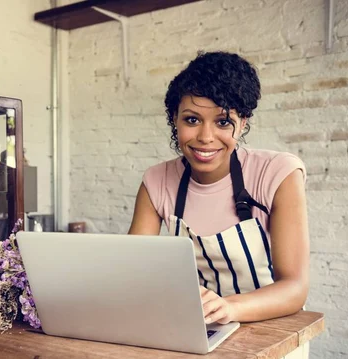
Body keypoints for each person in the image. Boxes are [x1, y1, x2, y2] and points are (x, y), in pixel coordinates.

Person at [128, 51, 309, 324]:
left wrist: (229, 308)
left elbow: (295, 288)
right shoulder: (156, 181)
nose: (205, 137)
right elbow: (132, 271)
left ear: (242, 123)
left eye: (223, 122)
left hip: (273, 332)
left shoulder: (277, 173)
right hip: (202, 328)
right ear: (174, 119)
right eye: (192, 120)